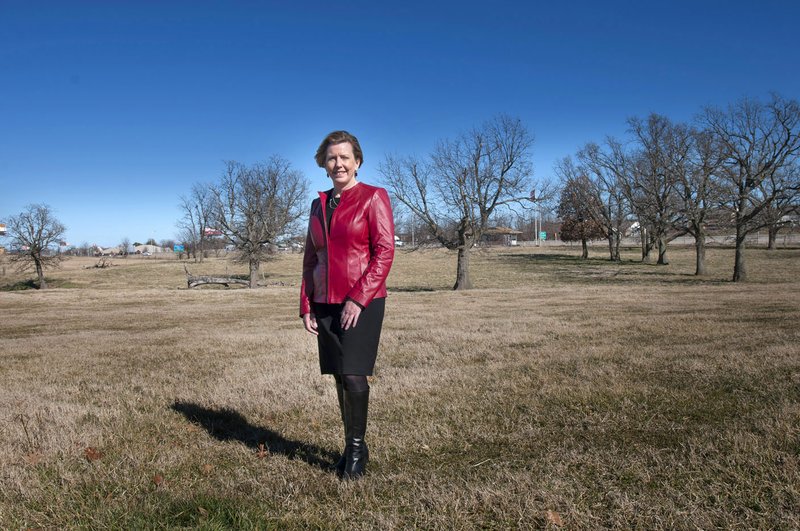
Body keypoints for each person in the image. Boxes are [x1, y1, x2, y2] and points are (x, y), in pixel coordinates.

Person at [300, 130, 395, 479]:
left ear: (357, 161)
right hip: (324, 301)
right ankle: (350, 443)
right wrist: (307, 303)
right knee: (339, 377)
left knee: (355, 375)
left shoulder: (373, 197)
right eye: (331, 158)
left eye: (344, 157)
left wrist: (358, 298)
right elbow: (311, 259)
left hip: (362, 301)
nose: (338, 163)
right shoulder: (318, 204)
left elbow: (385, 252)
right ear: (323, 165)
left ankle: (357, 452)